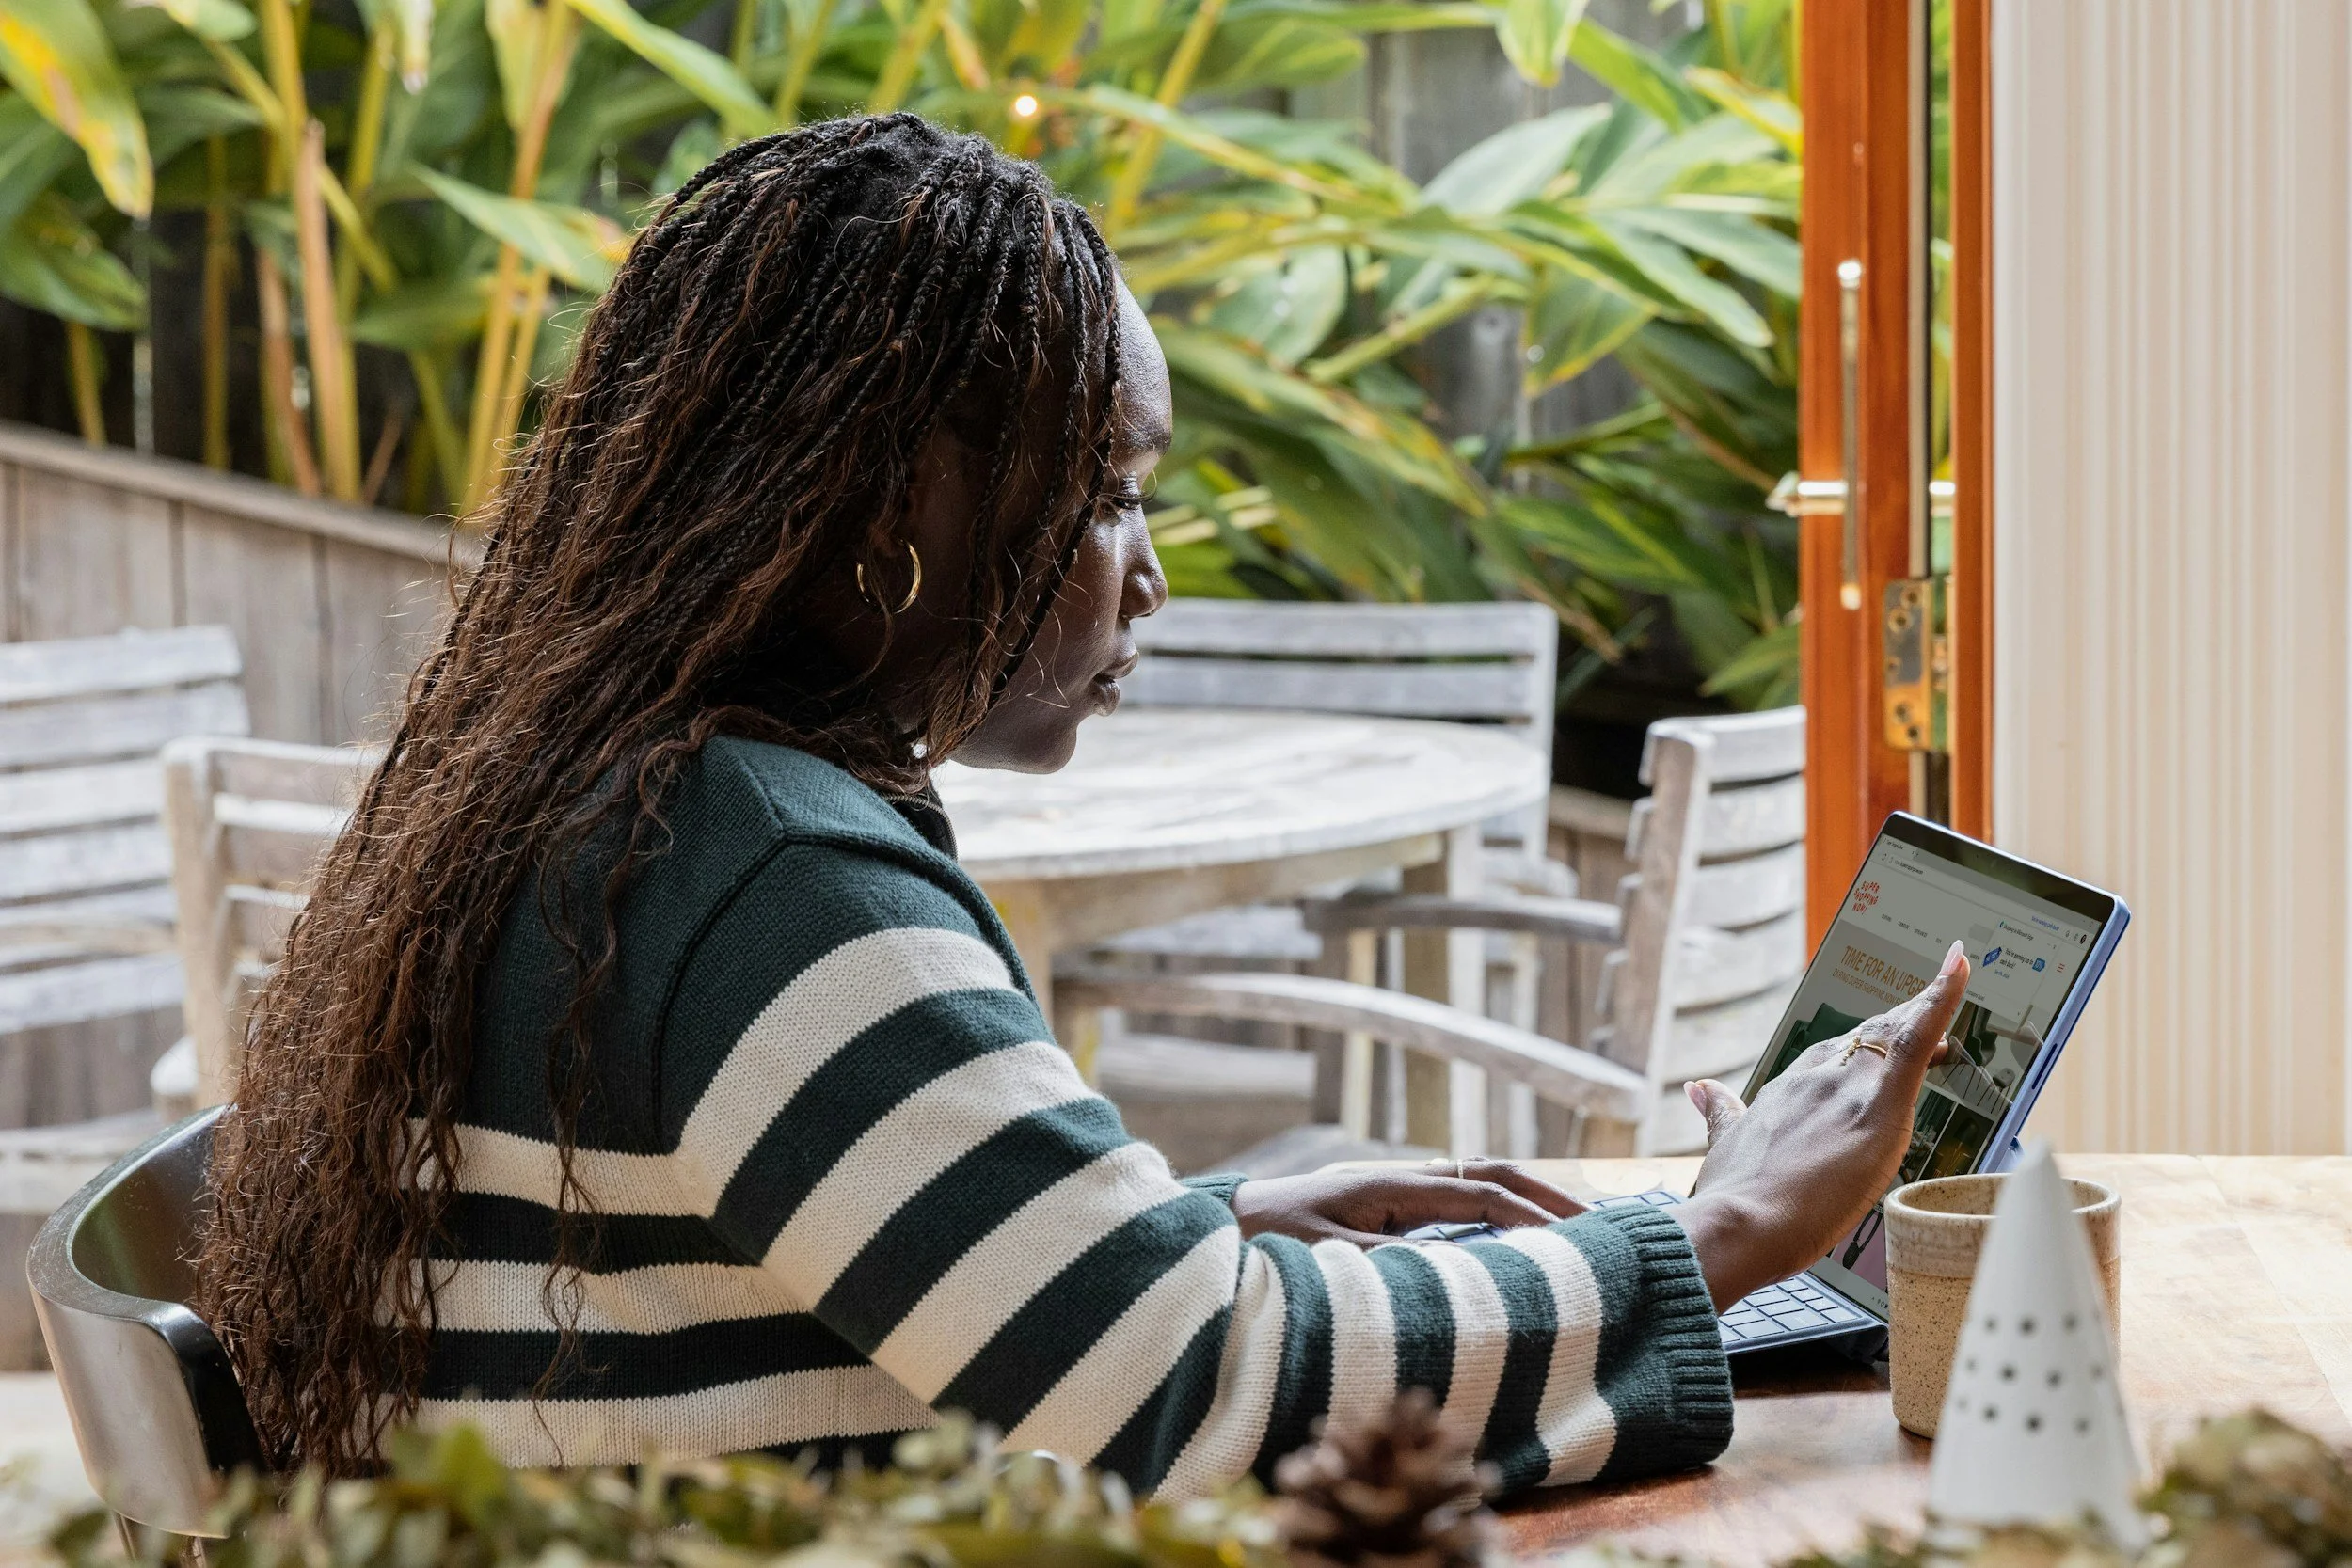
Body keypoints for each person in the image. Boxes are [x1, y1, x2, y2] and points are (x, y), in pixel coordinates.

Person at [198, 115, 1971, 1494]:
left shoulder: (621, 795)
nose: (1150, 579)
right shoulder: (760, 875)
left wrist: (1180, 1231)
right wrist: (1720, 1231)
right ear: (898, 508)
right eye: (1110, 494)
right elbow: (1200, 1393)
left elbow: (1027, 1311)